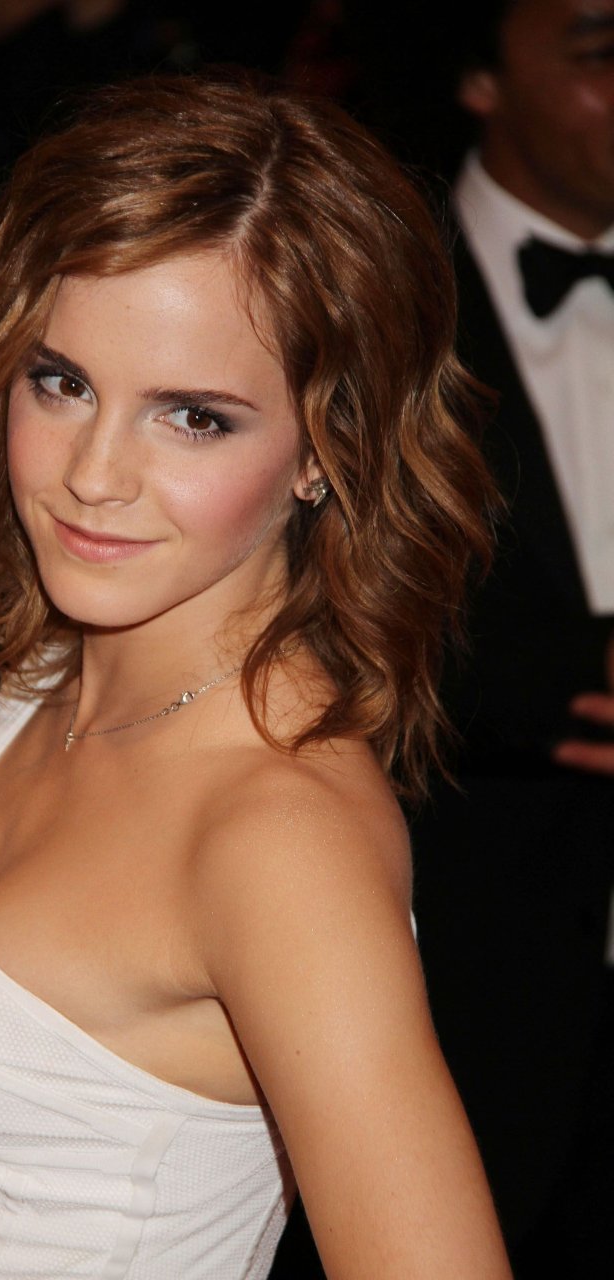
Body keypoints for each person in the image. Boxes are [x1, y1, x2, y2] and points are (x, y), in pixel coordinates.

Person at [0, 72, 512, 1278]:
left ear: (326, 449)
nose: (94, 474)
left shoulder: (277, 834)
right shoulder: (65, 673)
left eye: (193, 416)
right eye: (62, 382)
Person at [408, 0, 614, 1269]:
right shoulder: (372, 291)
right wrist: (558, 683)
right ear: (479, 75)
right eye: (601, 51)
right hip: (446, 960)